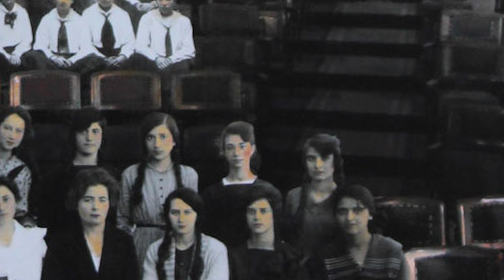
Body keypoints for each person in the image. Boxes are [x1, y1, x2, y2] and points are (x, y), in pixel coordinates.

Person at [118, 111, 200, 266]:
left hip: (177, 244)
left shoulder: (188, 175)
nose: (157, 144)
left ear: (174, 140)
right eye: (151, 137)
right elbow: (122, 220)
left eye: (163, 137)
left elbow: (193, 218)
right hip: (140, 245)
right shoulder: (130, 174)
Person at [201, 122, 278, 250]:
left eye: (242, 146)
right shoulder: (211, 194)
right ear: (223, 152)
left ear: (252, 149)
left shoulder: (269, 192)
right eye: (230, 147)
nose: (237, 153)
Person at [35, 108, 105, 230]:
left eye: (95, 131)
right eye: (83, 132)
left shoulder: (112, 175)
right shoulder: (55, 178)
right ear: (73, 135)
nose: (89, 138)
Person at [280, 132, 346, 261]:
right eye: (312, 158)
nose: (318, 165)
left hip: (332, 272)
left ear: (335, 161)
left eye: (324, 158)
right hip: (297, 271)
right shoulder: (293, 196)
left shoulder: (345, 198)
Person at [80, 0, 136, 72]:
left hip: (118, 55)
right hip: (96, 55)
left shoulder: (123, 14)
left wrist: (122, 56)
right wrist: (102, 59)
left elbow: (130, 41)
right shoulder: (87, 14)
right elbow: (86, 43)